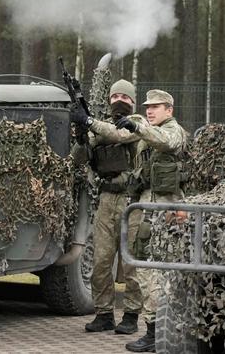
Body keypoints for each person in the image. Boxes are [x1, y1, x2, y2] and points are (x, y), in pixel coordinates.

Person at [69, 79, 148, 335]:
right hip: (106, 200)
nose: (119, 101)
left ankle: (131, 315)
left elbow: (119, 135)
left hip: (131, 201)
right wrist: (82, 136)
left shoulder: (137, 123)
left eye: (124, 98)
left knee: (131, 262)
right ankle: (104, 313)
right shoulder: (100, 128)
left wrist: (90, 122)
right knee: (101, 260)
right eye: (115, 96)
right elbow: (77, 159)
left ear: (133, 102)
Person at [114, 89, 189, 353]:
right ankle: (156, 331)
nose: (150, 110)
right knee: (147, 269)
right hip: (149, 210)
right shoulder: (148, 130)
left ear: (169, 109)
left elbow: (165, 142)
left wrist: (138, 126)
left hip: (168, 214)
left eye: (156, 106)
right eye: (147, 106)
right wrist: (89, 123)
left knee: (157, 272)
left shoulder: (173, 131)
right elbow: (118, 134)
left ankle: (157, 333)